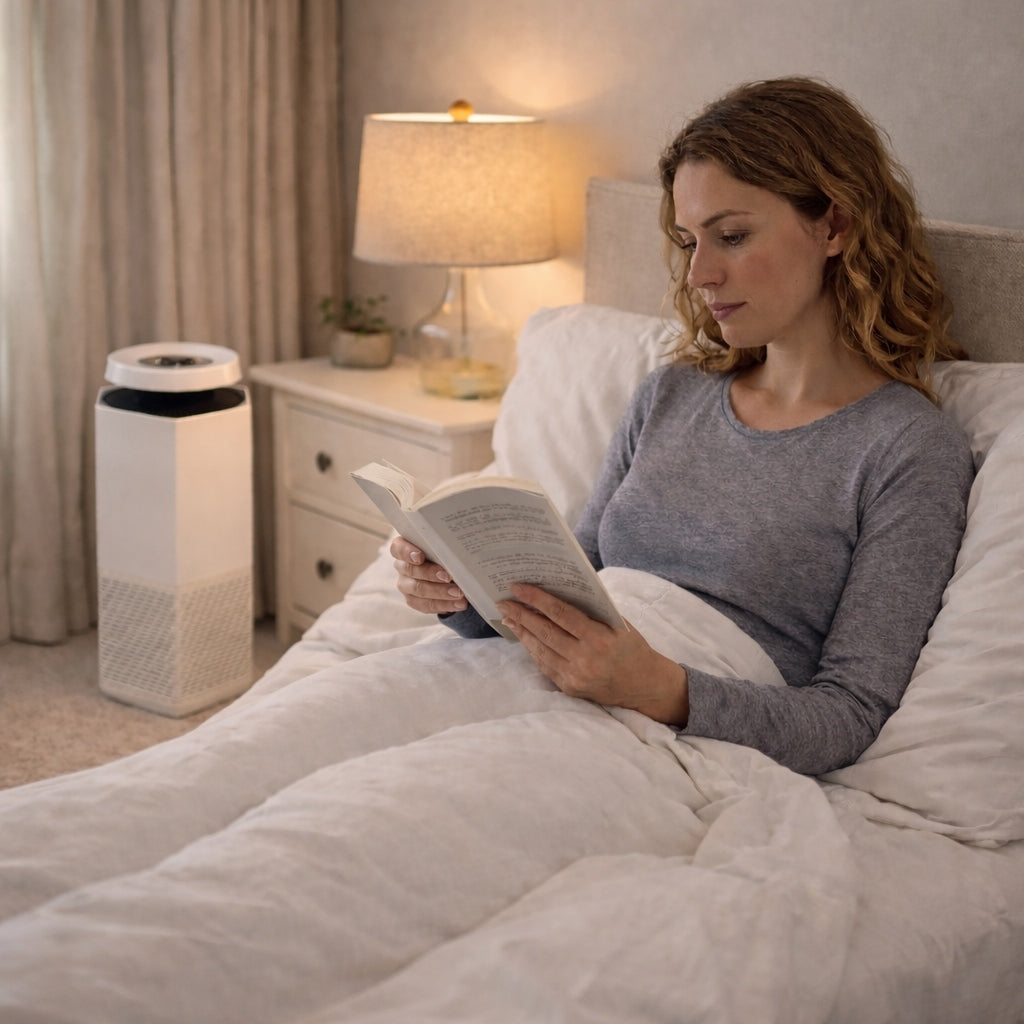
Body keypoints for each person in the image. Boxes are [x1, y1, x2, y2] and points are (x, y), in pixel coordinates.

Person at [390, 77, 974, 776]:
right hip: (535, 679)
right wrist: (460, 592)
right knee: (295, 740)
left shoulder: (906, 448)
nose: (698, 273)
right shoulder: (673, 392)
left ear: (835, 226)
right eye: (689, 241)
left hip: (658, 741)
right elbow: (575, 583)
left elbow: (847, 716)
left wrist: (661, 689)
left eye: (731, 236)